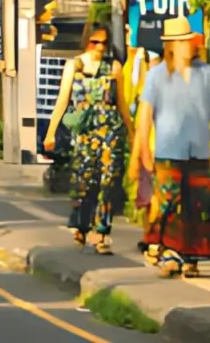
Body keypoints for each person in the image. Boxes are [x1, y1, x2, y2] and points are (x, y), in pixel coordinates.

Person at [136, 16, 210, 278]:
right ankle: (169, 253)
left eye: (189, 40)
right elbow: (145, 112)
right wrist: (143, 146)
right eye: (181, 41)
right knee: (169, 203)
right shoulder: (157, 75)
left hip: (199, 151)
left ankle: (191, 258)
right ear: (171, 45)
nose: (187, 45)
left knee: (198, 205)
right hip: (168, 150)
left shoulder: (208, 73)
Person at [44, 23, 130, 254]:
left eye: (103, 42)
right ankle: (80, 226)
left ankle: (101, 233)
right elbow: (63, 100)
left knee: (109, 182)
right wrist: (51, 132)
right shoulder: (75, 65)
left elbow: (121, 102)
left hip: (110, 130)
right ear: (86, 42)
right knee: (84, 181)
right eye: (95, 42)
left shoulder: (114, 67)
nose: (99, 47)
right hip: (85, 132)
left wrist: (131, 131)